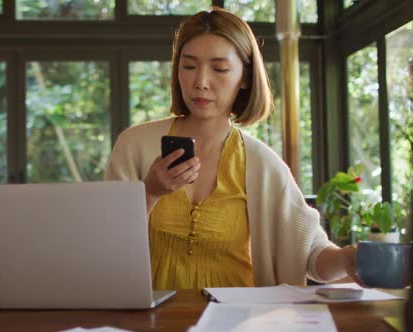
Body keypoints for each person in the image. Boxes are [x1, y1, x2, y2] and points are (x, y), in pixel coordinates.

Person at [104, 7, 359, 290]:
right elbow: (102, 244)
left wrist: (348, 258)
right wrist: (150, 192)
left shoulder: (262, 165)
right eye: (189, 66)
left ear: (246, 78)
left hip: (238, 318)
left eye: (219, 69)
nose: (200, 82)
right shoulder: (134, 146)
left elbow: (311, 255)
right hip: (152, 320)